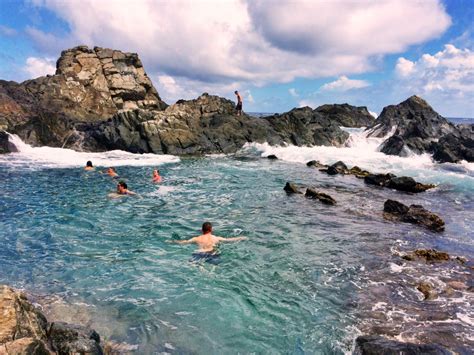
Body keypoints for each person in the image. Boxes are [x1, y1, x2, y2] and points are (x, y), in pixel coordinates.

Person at [174, 222, 247, 264]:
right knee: (215, 265)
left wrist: (173, 241)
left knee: (193, 263)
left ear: (202, 230)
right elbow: (229, 240)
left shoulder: (197, 238)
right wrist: (241, 238)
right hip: (212, 254)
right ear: (211, 229)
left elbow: (184, 242)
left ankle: (201, 268)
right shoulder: (216, 238)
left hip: (200, 253)